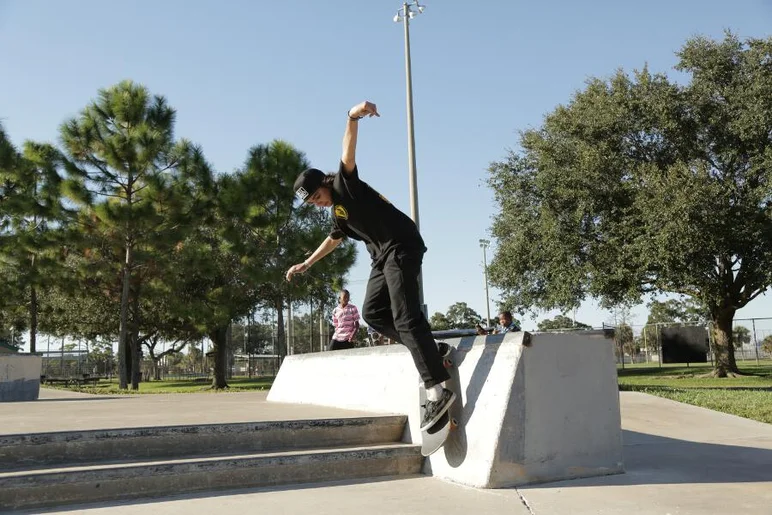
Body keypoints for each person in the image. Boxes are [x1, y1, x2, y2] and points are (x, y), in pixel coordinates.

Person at [285, 100, 455, 431]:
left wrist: (352, 117)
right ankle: (431, 349)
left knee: (406, 319)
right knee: (374, 315)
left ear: (323, 183)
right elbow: (334, 239)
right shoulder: (336, 212)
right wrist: (307, 262)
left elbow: (348, 154)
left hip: (402, 247)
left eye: (316, 195)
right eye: (311, 203)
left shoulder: (343, 186)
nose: (317, 202)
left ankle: (437, 390)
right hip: (381, 257)